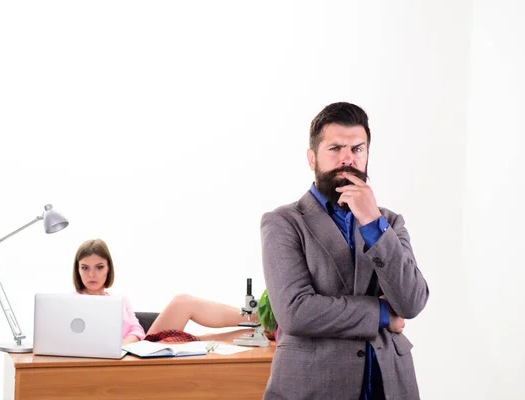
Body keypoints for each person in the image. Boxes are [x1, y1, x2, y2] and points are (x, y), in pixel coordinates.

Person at [260, 102, 429, 400]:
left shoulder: (388, 222)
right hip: (313, 385)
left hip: (389, 384)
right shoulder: (283, 223)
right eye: (335, 148)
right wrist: (381, 313)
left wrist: (372, 223)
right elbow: (296, 312)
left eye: (357, 149)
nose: (347, 159)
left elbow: (412, 301)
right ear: (312, 158)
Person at [72, 238, 257, 345]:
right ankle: (261, 319)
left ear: (108, 269)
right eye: (85, 268)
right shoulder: (72, 303)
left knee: (186, 310)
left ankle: (261, 323)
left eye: (99, 267)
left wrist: (125, 344)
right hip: (117, 360)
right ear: (78, 270)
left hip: (136, 350)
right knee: (191, 324)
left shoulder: (121, 300)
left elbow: (136, 329)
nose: (92, 274)